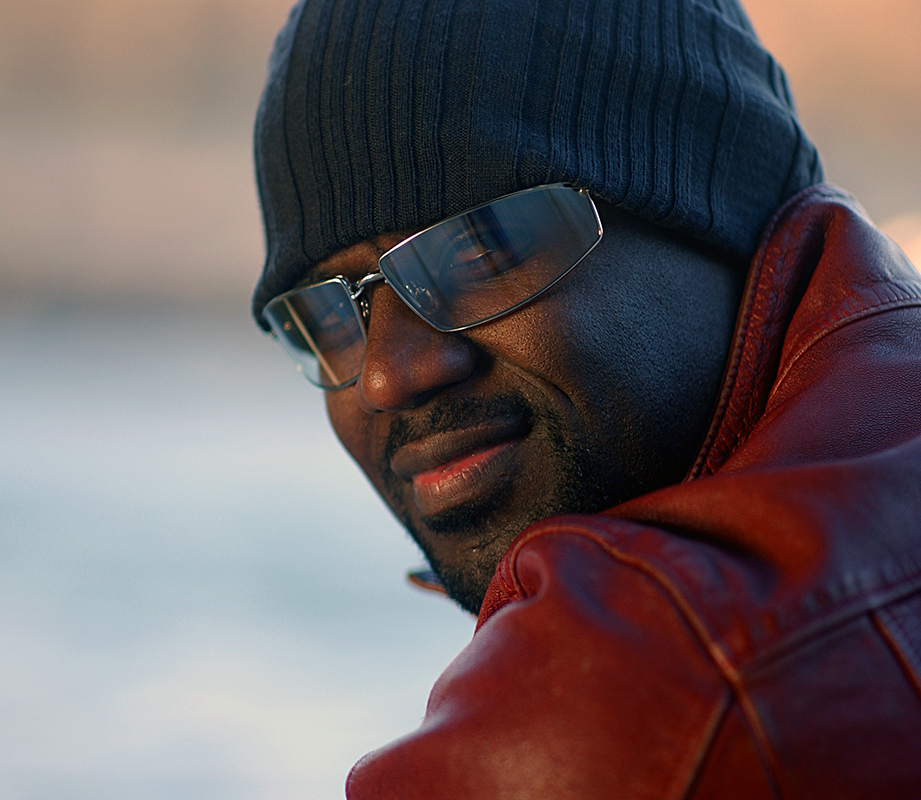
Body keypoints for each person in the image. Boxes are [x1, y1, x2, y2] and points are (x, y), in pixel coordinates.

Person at [250, 0, 921, 796]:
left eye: (482, 247)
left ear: (713, 219)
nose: (387, 377)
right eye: (327, 314)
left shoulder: (649, 693)